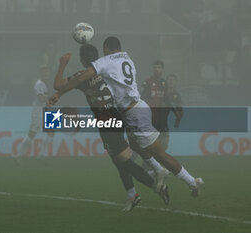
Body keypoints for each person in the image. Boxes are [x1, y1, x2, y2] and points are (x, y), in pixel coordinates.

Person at [48, 36, 203, 197]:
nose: (104, 53)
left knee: (158, 153)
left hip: (134, 113)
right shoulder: (127, 57)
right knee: (135, 145)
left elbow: (80, 78)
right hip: (133, 110)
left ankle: (192, 182)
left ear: (107, 48)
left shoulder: (105, 62)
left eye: (104, 50)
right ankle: (158, 171)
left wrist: (58, 93)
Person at [53, 44, 169, 210]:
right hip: (120, 115)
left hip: (107, 122)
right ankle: (132, 195)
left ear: (82, 59)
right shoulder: (106, 69)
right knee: (118, 160)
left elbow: (58, 85)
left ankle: (157, 186)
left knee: (123, 161)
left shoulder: (83, 76)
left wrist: (63, 63)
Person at [20, 66, 54, 157]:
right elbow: (40, 98)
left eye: (47, 72)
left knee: (51, 131)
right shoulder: (39, 84)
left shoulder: (48, 84)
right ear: (41, 74)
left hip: (48, 110)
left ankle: (41, 154)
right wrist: (51, 99)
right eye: (44, 72)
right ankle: (19, 155)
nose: (46, 74)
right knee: (32, 133)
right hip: (39, 111)